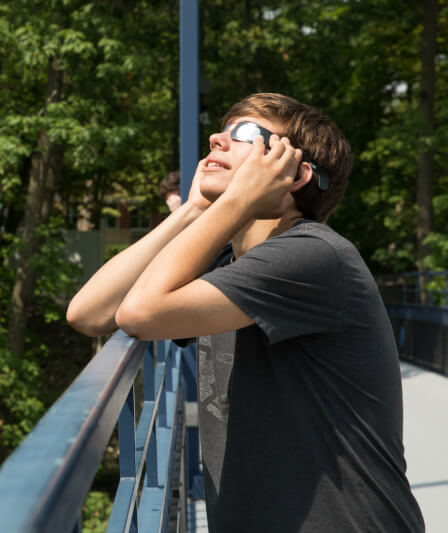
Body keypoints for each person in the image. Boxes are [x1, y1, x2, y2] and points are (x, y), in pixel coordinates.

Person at [66, 93, 424, 532]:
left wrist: (232, 202)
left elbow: (140, 313)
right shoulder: (235, 268)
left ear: (294, 174)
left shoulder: (311, 256)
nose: (216, 139)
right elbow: (90, 312)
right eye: (221, 131)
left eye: (246, 135)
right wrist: (195, 209)